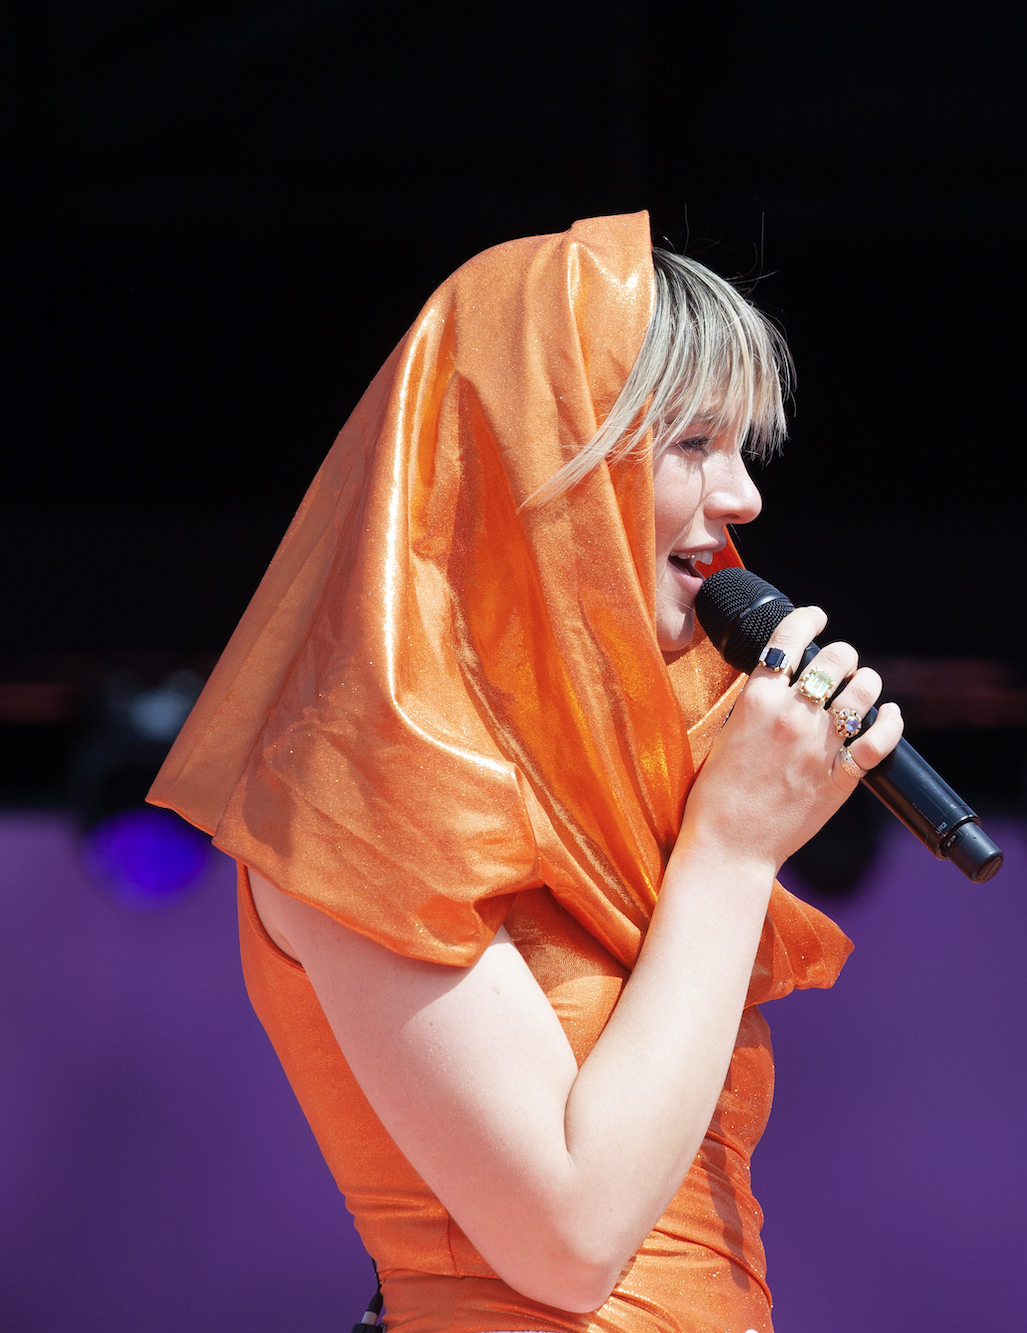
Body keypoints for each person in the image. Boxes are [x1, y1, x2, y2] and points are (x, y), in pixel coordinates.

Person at [149, 213, 902, 1332]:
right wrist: (733, 848)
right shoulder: (362, 783)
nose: (742, 497)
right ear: (537, 461)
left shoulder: (620, 784)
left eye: (744, 448)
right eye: (692, 444)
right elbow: (567, 1238)